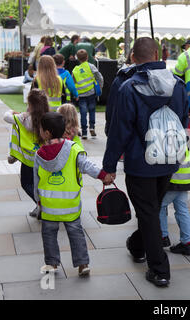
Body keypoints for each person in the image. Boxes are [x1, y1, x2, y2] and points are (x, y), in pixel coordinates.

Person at [102, 37, 189, 288]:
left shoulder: (128, 88)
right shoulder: (178, 86)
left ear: (132, 57)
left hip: (140, 162)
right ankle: (136, 245)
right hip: (169, 159)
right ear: (157, 53)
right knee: (150, 210)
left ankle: (160, 269)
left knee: (149, 212)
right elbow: (183, 122)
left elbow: (120, 131)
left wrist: (109, 167)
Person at [34, 112, 114, 276]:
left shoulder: (39, 155)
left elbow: (36, 179)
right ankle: (82, 264)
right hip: (71, 205)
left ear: (47, 133)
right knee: (76, 233)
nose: (39, 131)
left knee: (49, 235)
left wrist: (38, 200)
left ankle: (52, 264)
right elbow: (87, 166)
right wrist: (103, 175)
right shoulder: (74, 149)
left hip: (49, 207)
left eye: (41, 129)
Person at [4, 89, 49, 218]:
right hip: (44, 158)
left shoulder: (22, 118)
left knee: (26, 184)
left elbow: (6, 117)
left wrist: (12, 111)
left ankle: (42, 206)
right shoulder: (48, 118)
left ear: (31, 105)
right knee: (39, 184)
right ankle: (40, 206)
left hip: (28, 159)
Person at [158, 146, 190, 255]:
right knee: (182, 210)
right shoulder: (183, 136)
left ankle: (163, 237)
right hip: (185, 178)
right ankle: (187, 243)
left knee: (160, 206)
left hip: (173, 180)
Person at [72, 49, 104, 139]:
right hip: (91, 92)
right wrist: (100, 86)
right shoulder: (91, 66)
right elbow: (99, 77)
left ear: (77, 58)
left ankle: (84, 132)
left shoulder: (75, 70)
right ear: (87, 57)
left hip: (81, 94)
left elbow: (73, 83)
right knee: (92, 109)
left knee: (83, 112)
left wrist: (75, 94)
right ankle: (92, 127)